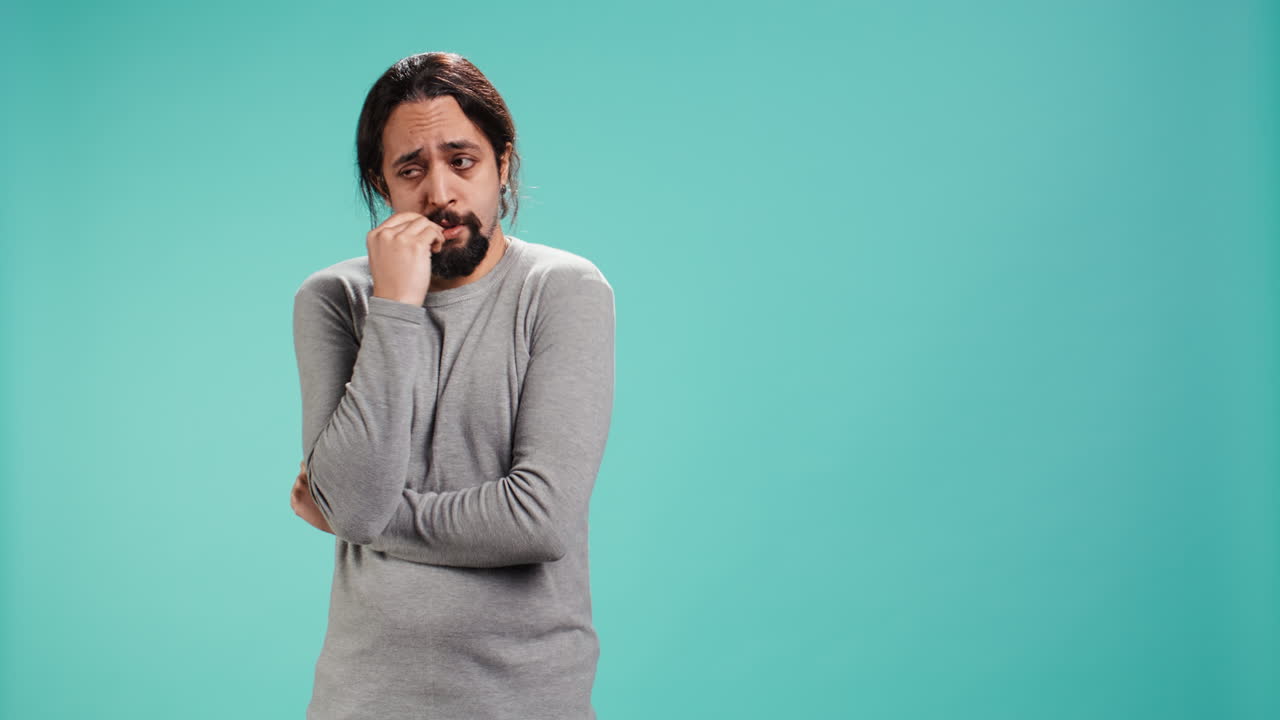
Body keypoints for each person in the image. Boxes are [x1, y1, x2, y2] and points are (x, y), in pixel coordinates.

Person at [288, 51, 615, 720]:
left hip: (524, 701)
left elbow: (539, 520)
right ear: (381, 183)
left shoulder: (564, 290)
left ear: (503, 164)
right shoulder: (333, 300)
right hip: (360, 701)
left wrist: (371, 519)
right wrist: (397, 307)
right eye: (411, 169)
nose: (440, 194)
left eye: (462, 161)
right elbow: (351, 499)